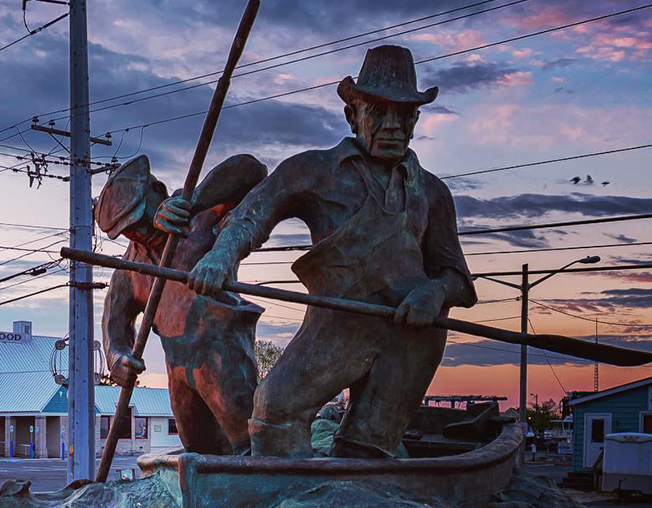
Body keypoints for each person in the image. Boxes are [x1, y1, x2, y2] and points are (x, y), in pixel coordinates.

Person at [181, 45, 475, 459]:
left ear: (415, 121)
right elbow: (251, 216)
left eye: (403, 114)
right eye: (377, 111)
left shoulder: (432, 192)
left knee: (368, 452)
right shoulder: (313, 171)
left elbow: (456, 276)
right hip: (338, 326)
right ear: (352, 115)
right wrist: (220, 257)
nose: (392, 124)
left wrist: (435, 293)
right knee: (273, 412)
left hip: (412, 336)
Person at [96, 153, 266, 455]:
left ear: (157, 193)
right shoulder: (130, 268)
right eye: (128, 230)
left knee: (249, 446)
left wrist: (195, 201)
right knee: (199, 454)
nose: (138, 233)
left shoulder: (199, 218)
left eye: (139, 218)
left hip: (223, 354)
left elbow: (252, 171)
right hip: (178, 369)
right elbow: (114, 325)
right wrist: (119, 359)